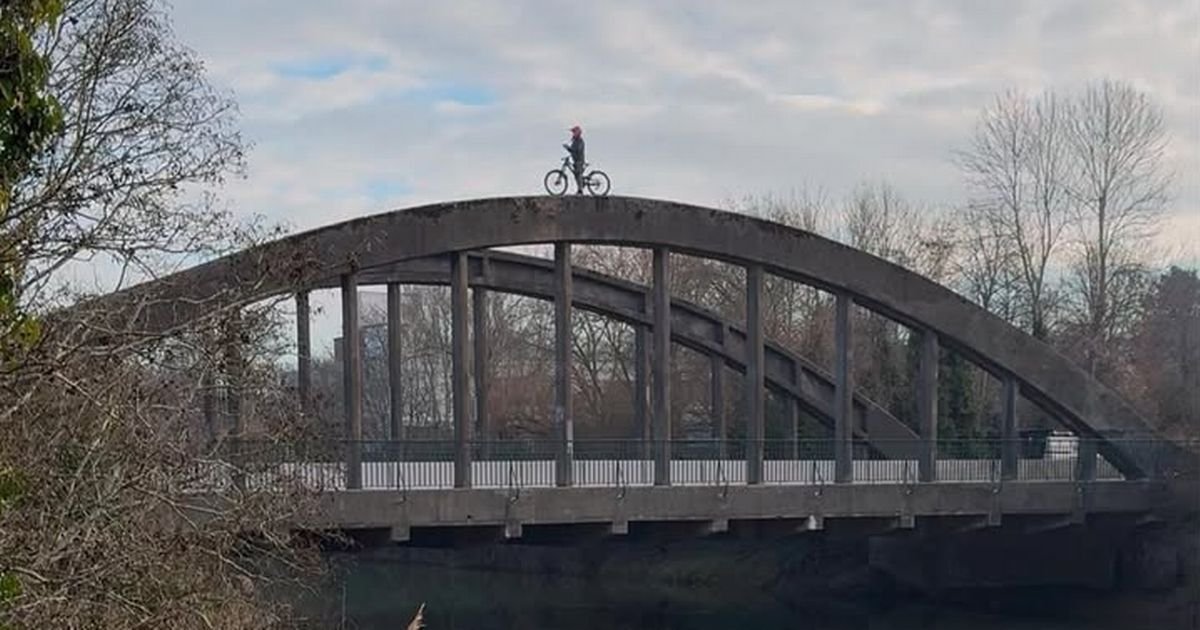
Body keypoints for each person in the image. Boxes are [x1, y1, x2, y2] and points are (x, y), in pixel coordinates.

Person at [563, 125, 585, 194]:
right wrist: (568, 148)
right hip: (575, 160)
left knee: (578, 174)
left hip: (579, 160)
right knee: (576, 175)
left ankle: (580, 189)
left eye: (574, 132)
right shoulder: (574, 141)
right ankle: (579, 188)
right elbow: (572, 150)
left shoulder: (580, 141)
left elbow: (578, 150)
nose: (573, 134)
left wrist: (569, 148)